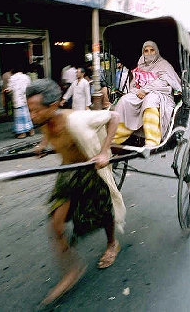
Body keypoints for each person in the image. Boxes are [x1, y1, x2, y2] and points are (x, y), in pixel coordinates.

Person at [26, 79, 125, 307]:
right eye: (30, 110)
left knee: (103, 212)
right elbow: (47, 131)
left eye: (36, 110)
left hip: (91, 169)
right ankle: (72, 270)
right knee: (56, 225)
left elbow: (114, 117)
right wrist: (43, 145)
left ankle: (112, 244)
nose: (32, 115)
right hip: (69, 172)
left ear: (52, 107)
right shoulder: (45, 121)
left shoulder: (77, 119)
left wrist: (103, 152)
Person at [112, 41, 181, 147]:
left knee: (150, 100)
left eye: (152, 50)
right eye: (146, 51)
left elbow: (163, 82)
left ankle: (152, 140)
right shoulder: (140, 64)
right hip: (140, 93)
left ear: (156, 51)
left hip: (160, 93)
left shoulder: (164, 65)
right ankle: (119, 136)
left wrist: (145, 90)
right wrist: (138, 91)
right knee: (124, 100)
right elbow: (134, 84)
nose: (149, 53)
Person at [7, 64, 35, 138]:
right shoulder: (26, 77)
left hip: (17, 100)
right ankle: (31, 131)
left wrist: (7, 90)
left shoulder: (12, 78)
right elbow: (30, 86)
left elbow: (10, 88)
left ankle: (22, 133)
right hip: (25, 98)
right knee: (27, 115)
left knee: (20, 117)